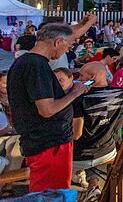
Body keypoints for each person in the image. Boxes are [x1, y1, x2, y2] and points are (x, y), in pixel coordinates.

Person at [8, 18, 95, 192]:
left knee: (54, 191)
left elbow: (67, 33)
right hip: (48, 146)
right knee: (51, 194)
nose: (67, 50)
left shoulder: (29, 62)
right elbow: (47, 110)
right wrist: (75, 93)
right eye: (67, 46)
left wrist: (85, 24)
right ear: (57, 42)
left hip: (48, 143)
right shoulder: (36, 66)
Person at [71, 63, 123, 200]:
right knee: (91, 146)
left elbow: (76, 134)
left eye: (82, 76)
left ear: (92, 77)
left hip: (81, 157)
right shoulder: (120, 94)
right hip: (108, 151)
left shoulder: (79, 99)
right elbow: (116, 126)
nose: (79, 79)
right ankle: (93, 185)